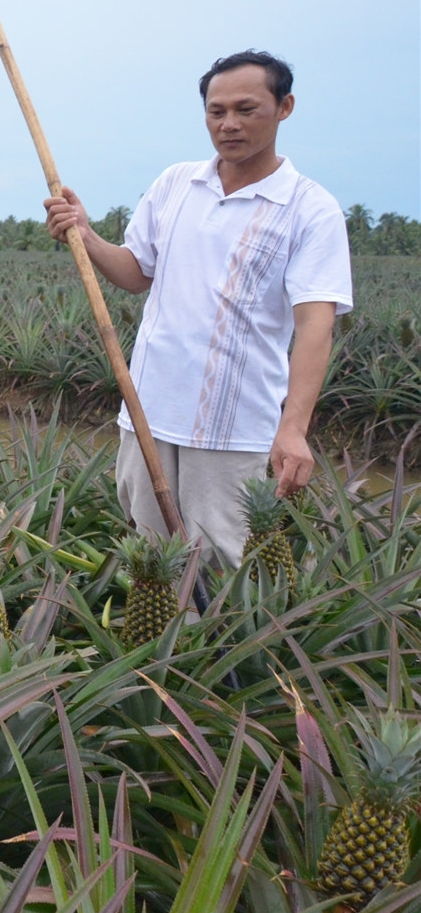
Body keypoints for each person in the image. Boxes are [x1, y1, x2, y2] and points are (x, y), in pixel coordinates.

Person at [45, 50, 351, 570]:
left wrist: (293, 427)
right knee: (152, 560)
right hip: (149, 412)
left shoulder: (310, 208)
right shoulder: (175, 184)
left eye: (246, 109)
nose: (229, 124)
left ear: (285, 108)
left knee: (229, 561)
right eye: (216, 111)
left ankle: (229, 649)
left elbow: (314, 323)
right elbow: (137, 273)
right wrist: (86, 233)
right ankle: (164, 649)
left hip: (236, 425)